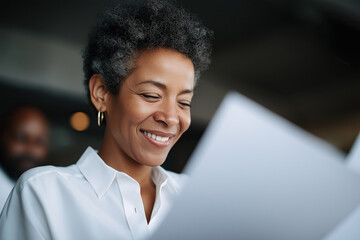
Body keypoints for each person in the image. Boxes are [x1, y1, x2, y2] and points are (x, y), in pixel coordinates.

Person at [0, 0, 212, 239]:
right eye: (151, 95)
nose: (172, 118)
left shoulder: (196, 198)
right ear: (102, 93)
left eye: (184, 102)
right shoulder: (42, 195)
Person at [0, 106, 49, 210]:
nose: (30, 149)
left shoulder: (45, 193)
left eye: (39, 142)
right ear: (3, 136)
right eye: (21, 138)